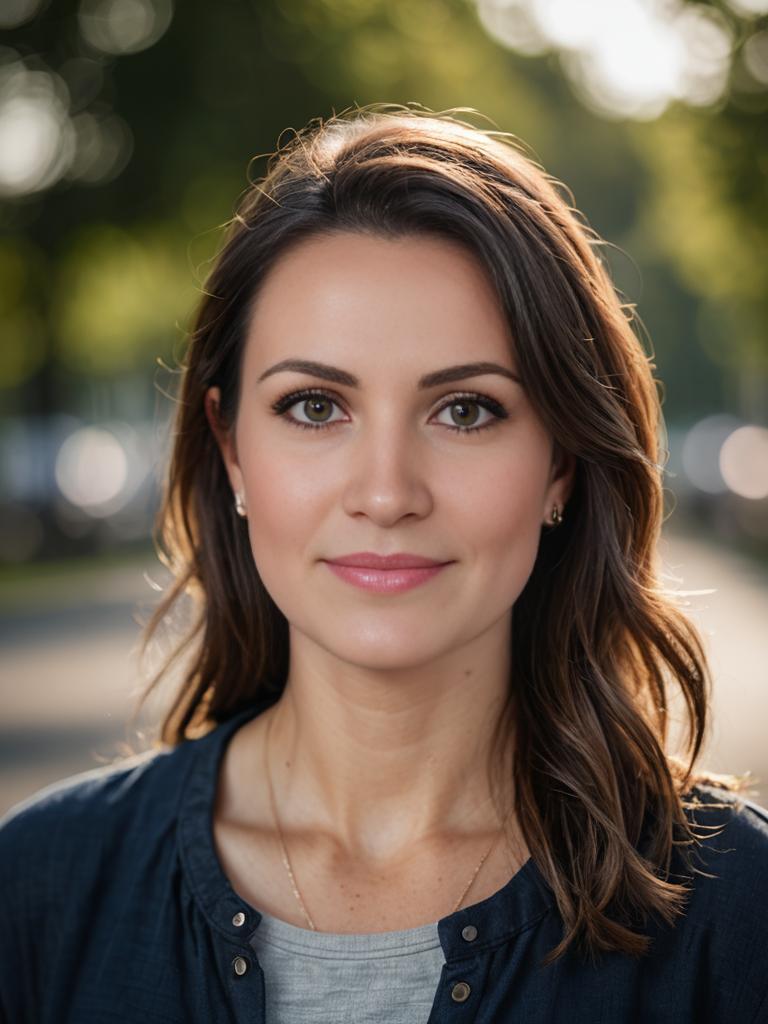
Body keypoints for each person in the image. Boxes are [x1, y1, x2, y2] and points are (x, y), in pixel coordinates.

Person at [1, 103, 767, 1024]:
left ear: (561, 461)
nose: (386, 492)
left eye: (467, 410)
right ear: (233, 449)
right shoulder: (41, 888)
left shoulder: (739, 915)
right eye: (316, 407)